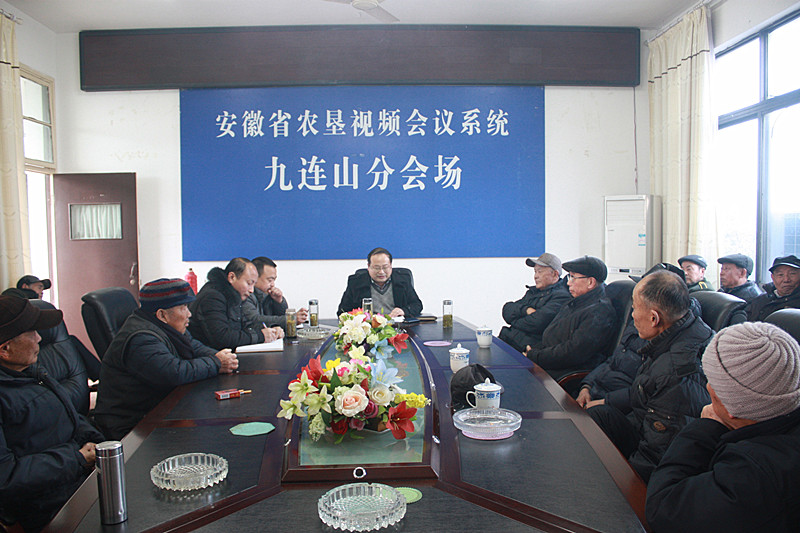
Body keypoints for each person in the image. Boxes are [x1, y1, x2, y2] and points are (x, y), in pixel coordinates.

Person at [646, 322, 800, 532]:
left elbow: (663, 509)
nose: (707, 386)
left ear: (732, 408)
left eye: (712, 384)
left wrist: (706, 427)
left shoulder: (756, 474)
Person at [586, 270, 713, 481]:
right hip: (645, 424)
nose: (632, 315)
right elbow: (646, 391)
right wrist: (605, 399)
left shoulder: (676, 372)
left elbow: (656, 456)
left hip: (660, 458)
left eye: (635, 308)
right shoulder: (685, 329)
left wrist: (623, 489)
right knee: (598, 416)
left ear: (654, 318)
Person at [0, 295, 105, 532]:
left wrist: (99, 442)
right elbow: (5, 478)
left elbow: (69, 416)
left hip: (78, 480)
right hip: (47, 507)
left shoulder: (32, 372)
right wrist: (76, 458)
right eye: (31, 333)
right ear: (5, 349)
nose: (39, 338)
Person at [94, 279, 239, 440]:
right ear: (162, 315)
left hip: (158, 409)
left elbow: (193, 347)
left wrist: (222, 357)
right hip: (133, 427)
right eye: (183, 308)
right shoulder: (141, 339)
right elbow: (174, 372)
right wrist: (216, 363)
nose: (189, 314)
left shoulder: (165, 326)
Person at [576, 263, 693, 408]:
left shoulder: (666, 342)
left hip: (618, 404)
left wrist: (604, 403)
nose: (633, 313)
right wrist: (587, 385)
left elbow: (643, 392)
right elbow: (613, 359)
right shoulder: (638, 324)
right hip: (600, 392)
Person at [524, 255, 617, 380]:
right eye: (569, 277)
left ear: (590, 282)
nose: (568, 283)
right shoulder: (575, 302)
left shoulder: (599, 312)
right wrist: (534, 351)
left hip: (566, 373)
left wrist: (535, 356)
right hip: (549, 363)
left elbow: (573, 353)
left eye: (573, 277)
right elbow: (552, 336)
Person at [188, 258, 283, 350]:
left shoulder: (234, 296)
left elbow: (245, 326)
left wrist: (271, 330)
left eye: (253, 284)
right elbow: (222, 338)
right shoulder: (212, 297)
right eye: (249, 283)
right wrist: (261, 336)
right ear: (232, 277)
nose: (251, 290)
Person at [499, 253, 571, 353]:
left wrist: (513, 321)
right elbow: (507, 309)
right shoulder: (533, 292)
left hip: (525, 350)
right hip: (507, 340)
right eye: (535, 272)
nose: (535, 276)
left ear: (555, 274)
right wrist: (526, 310)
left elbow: (537, 323)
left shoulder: (561, 297)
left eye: (540, 272)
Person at [337, 247, 423, 318]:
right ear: (368, 267)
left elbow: (417, 305)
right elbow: (343, 311)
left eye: (385, 267)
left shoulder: (403, 280)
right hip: (369, 328)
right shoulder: (356, 282)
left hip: (397, 326)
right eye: (376, 268)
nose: (381, 272)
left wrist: (403, 311)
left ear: (391, 266)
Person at [242, 256, 307, 331]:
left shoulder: (268, 294)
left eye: (274, 280)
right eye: (270, 280)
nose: (273, 284)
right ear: (255, 277)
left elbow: (279, 318)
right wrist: (290, 319)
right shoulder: (245, 295)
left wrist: (279, 302)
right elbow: (256, 320)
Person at [746, 254, 800, 322]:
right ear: (773, 278)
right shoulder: (760, 301)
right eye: (780, 275)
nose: (786, 280)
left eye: (792, 274)